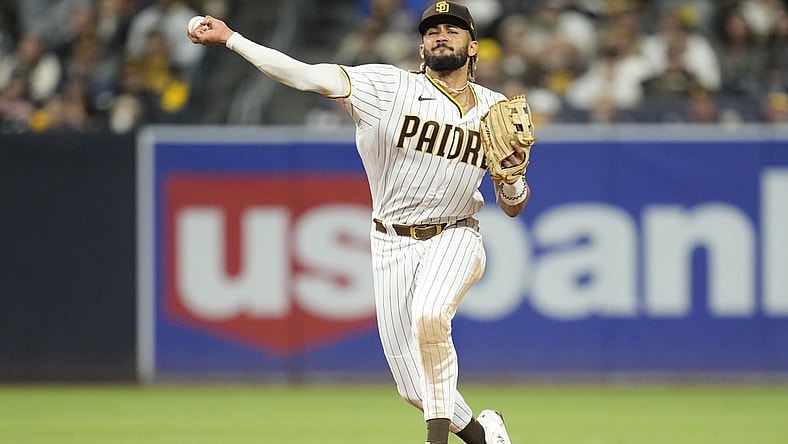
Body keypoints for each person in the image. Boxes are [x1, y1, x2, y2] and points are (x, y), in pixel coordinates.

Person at [188, 2, 530, 443]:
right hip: (390, 241)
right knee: (413, 387)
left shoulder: (495, 109)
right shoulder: (387, 87)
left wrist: (514, 178)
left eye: (452, 29)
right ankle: (488, 437)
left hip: (457, 232)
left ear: (473, 46)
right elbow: (305, 75)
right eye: (432, 31)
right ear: (422, 45)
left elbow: (513, 205)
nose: (441, 35)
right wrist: (232, 38)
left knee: (430, 317)